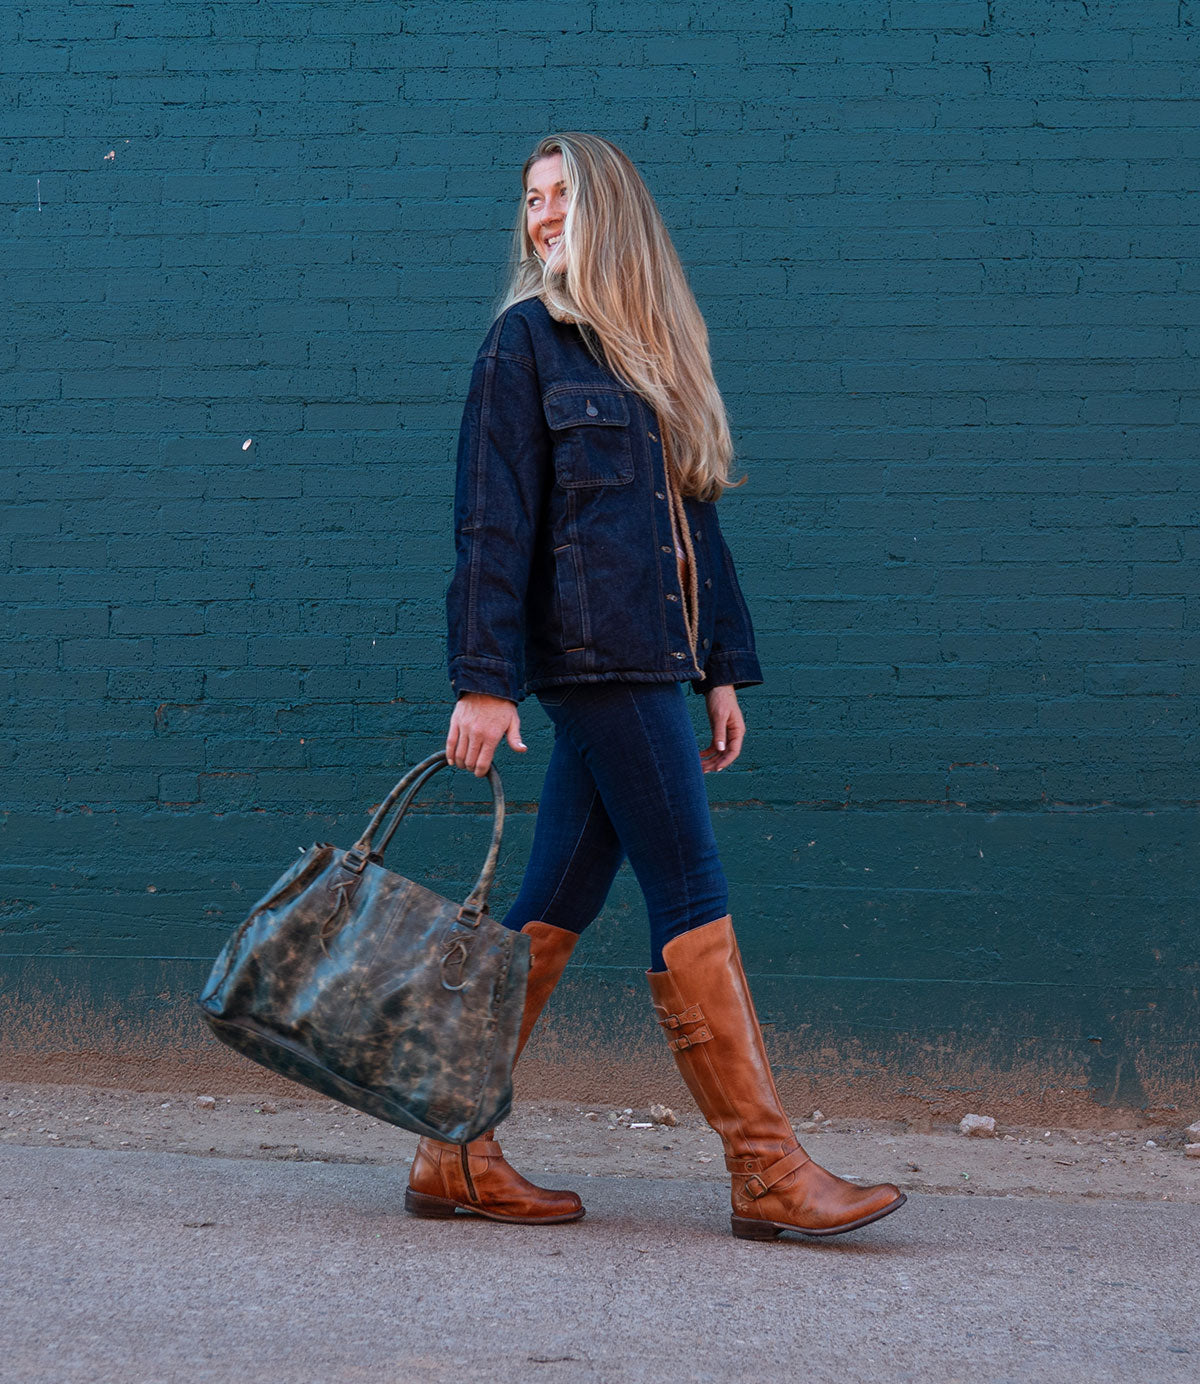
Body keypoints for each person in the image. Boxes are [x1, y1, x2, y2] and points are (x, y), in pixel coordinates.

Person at [404, 133, 906, 1241]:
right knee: (688, 885)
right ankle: (767, 1168)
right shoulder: (520, 345)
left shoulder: (644, 353)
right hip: (594, 663)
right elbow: (492, 523)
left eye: (559, 197)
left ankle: (452, 1148)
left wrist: (724, 664)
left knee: (555, 901)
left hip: (652, 660)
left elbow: (696, 525)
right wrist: (483, 680)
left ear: (609, 213)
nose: (539, 217)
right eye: (529, 200)